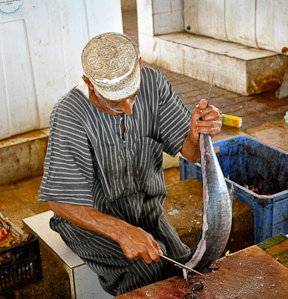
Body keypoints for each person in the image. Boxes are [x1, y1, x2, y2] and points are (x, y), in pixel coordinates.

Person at [38, 32, 222, 296]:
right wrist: (122, 232)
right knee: (145, 275)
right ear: (88, 83)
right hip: (91, 223)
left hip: (148, 214)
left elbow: (190, 153)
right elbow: (59, 200)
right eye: (115, 102)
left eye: (133, 96)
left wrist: (196, 134)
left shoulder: (154, 84)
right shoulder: (69, 114)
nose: (129, 110)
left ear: (139, 64)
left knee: (187, 268)